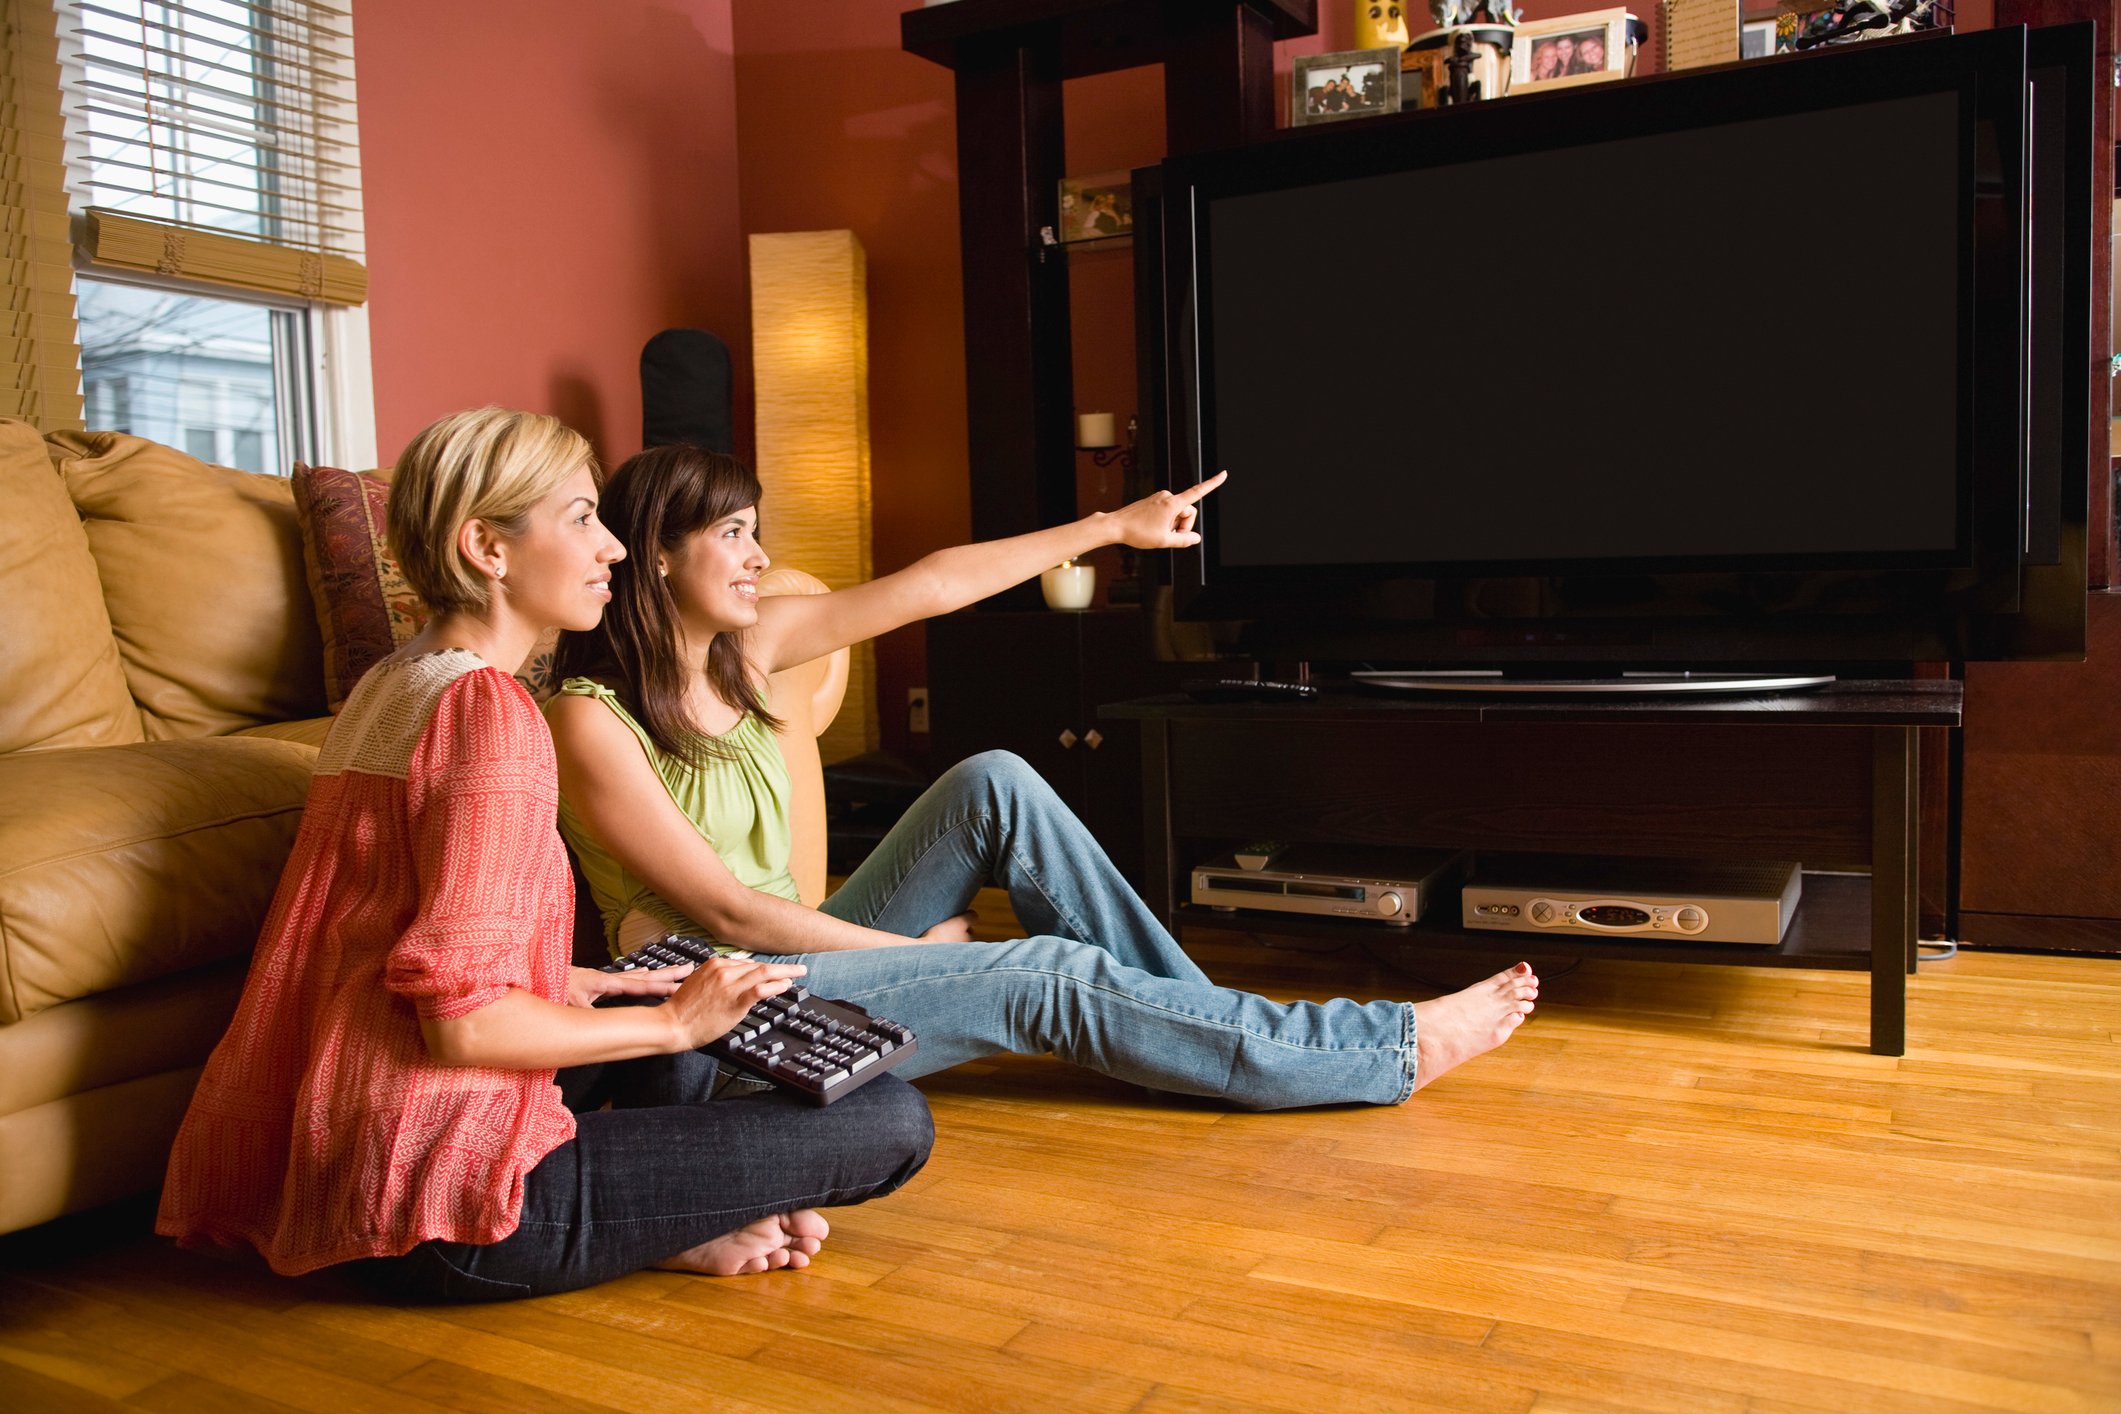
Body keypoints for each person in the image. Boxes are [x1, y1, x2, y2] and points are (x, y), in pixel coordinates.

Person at [155, 409, 932, 1302]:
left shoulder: (395, 683)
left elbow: (386, 944)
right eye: (579, 519)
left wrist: (585, 983)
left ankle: (682, 1214)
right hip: (443, 1205)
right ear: (487, 546)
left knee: (657, 984)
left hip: (348, 1141)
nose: (612, 548)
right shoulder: (491, 714)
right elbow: (466, 1027)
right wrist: (676, 1023)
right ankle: (672, 1217)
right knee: (887, 1119)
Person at [546, 444, 1539, 1115]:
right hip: (727, 1034)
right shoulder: (592, 716)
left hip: (801, 963)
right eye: (730, 535)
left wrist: (1111, 527)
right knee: (1036, 972)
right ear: (658, 556)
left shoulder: (747, 649)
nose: (760, 557)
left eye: (756, 530)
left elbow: (933, 582)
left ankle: (1204, 1034)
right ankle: (1365, 1054)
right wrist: (924, 956)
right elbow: (735, 912)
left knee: (994, 780)